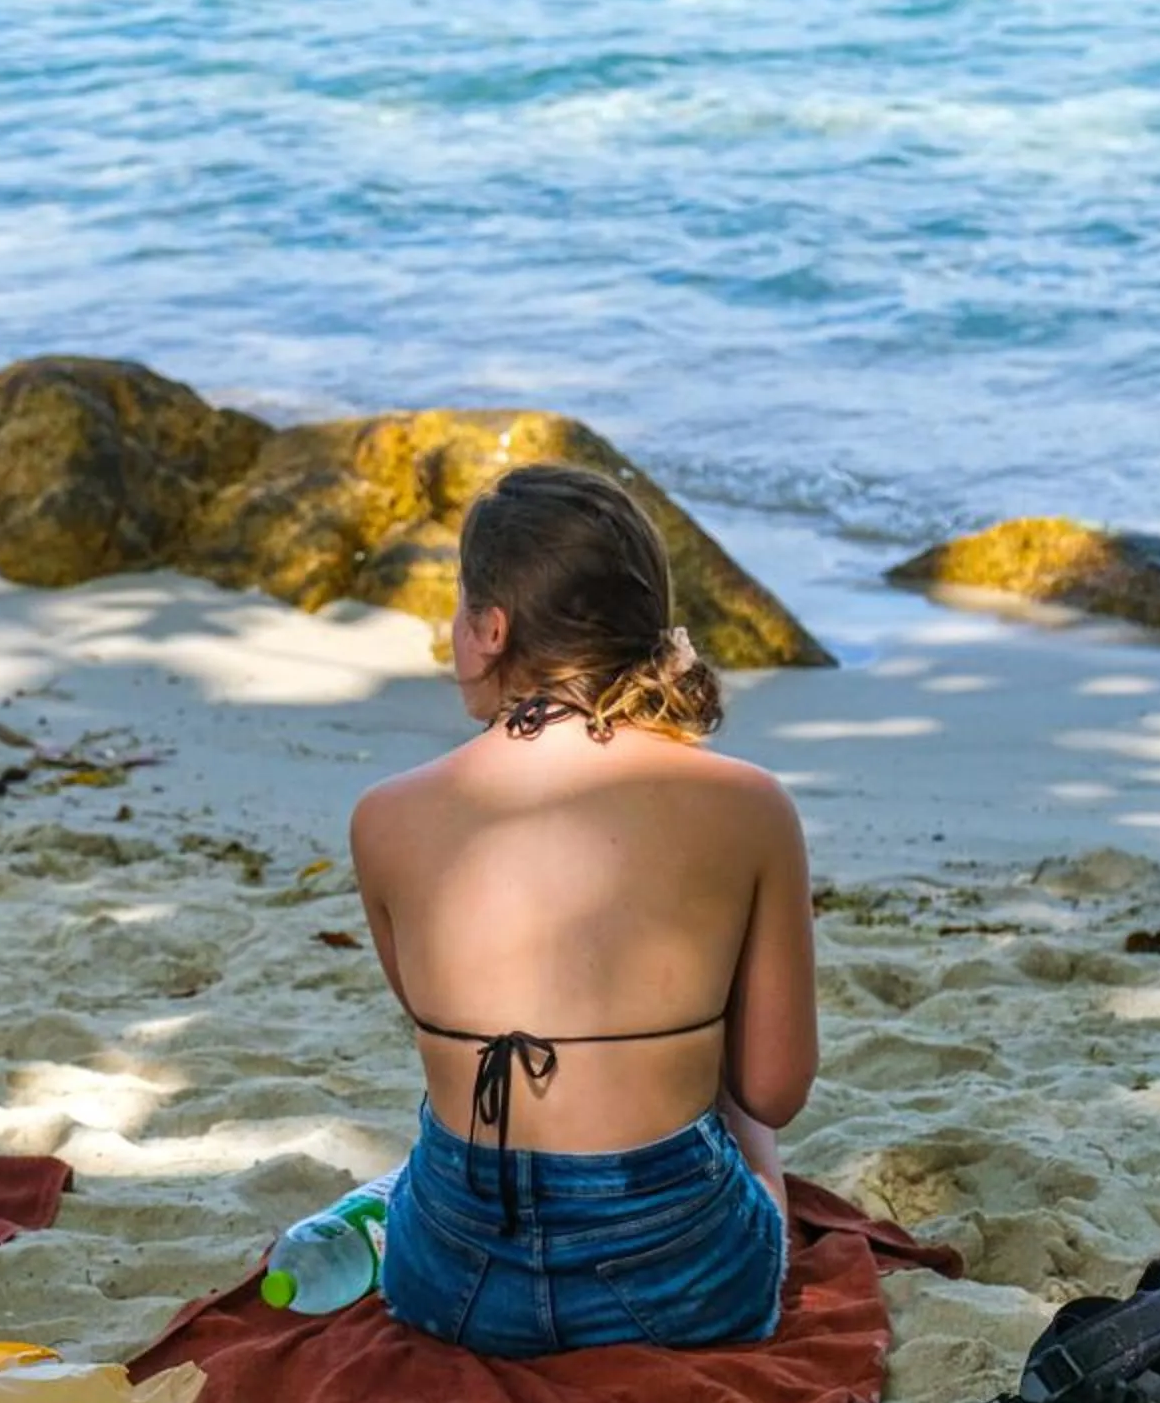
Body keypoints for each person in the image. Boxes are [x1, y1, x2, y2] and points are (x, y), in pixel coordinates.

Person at [349, 464, 815, 1358]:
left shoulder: (386, 815)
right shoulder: (749, 804)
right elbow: (775, 1092)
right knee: (727, 1090)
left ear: (490, 629)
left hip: (451, 1287)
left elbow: (432, 1011)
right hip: (679, 1292)